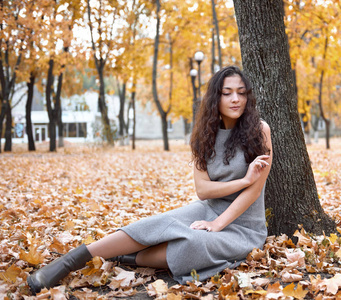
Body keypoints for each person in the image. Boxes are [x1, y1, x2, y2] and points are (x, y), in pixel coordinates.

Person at [27, 66, 272, 294]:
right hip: (209, 207)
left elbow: (253, 192)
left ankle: (125, 257)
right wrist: (242, 181)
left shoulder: (260, 131)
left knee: (194, 244)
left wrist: (218, 224)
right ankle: (68, 262)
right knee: (158, 223)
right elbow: (203, 190)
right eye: (227, 93)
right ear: (215, 98)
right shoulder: (203, 136)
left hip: (244, 225)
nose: (235, 99)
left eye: (241, 93)